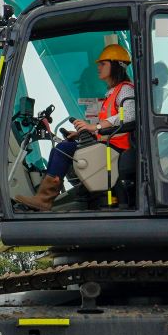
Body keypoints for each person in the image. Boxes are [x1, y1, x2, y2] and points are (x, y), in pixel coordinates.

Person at [17, 42, 133, 210]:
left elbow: (129, 117)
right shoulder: (112, 93)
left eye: (103, 64)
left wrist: (93, 127)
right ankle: (46, 197)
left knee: (63, 149)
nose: (98, 67)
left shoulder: (126, 90)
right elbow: (108, 127)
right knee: (62, 148)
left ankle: (44, 199)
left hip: (117, 149)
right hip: (108, 146)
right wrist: (82, 133)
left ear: (116, 65)